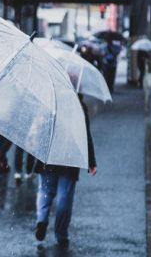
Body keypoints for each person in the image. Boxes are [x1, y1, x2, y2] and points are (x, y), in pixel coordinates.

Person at [34, 94, 97, 248]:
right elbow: (85, 136)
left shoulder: (48, 102)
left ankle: (42, 219)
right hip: (70, 158)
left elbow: (39, 130)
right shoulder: (79, 107)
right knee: (64, 197)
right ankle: (61, 234)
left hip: (48, 156)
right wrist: (91, 161)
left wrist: (33, 158)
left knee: (45, 190)